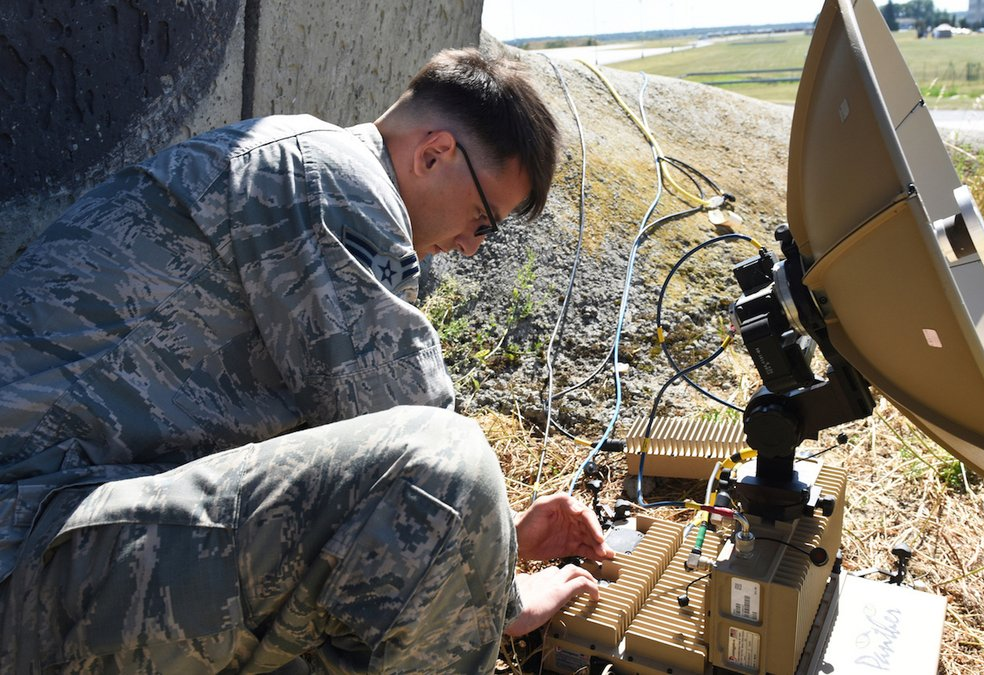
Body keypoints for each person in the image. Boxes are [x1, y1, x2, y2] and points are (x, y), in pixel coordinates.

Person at [0, 47, 613, 672]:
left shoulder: (304, 171)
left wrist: (506, 530)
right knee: (448, 470)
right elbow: (422, 460)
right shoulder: (335, 183)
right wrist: (501, 594)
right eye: (483, 221)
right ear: (434, 154)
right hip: (30, 552)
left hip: (69, 539)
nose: (472, 248)